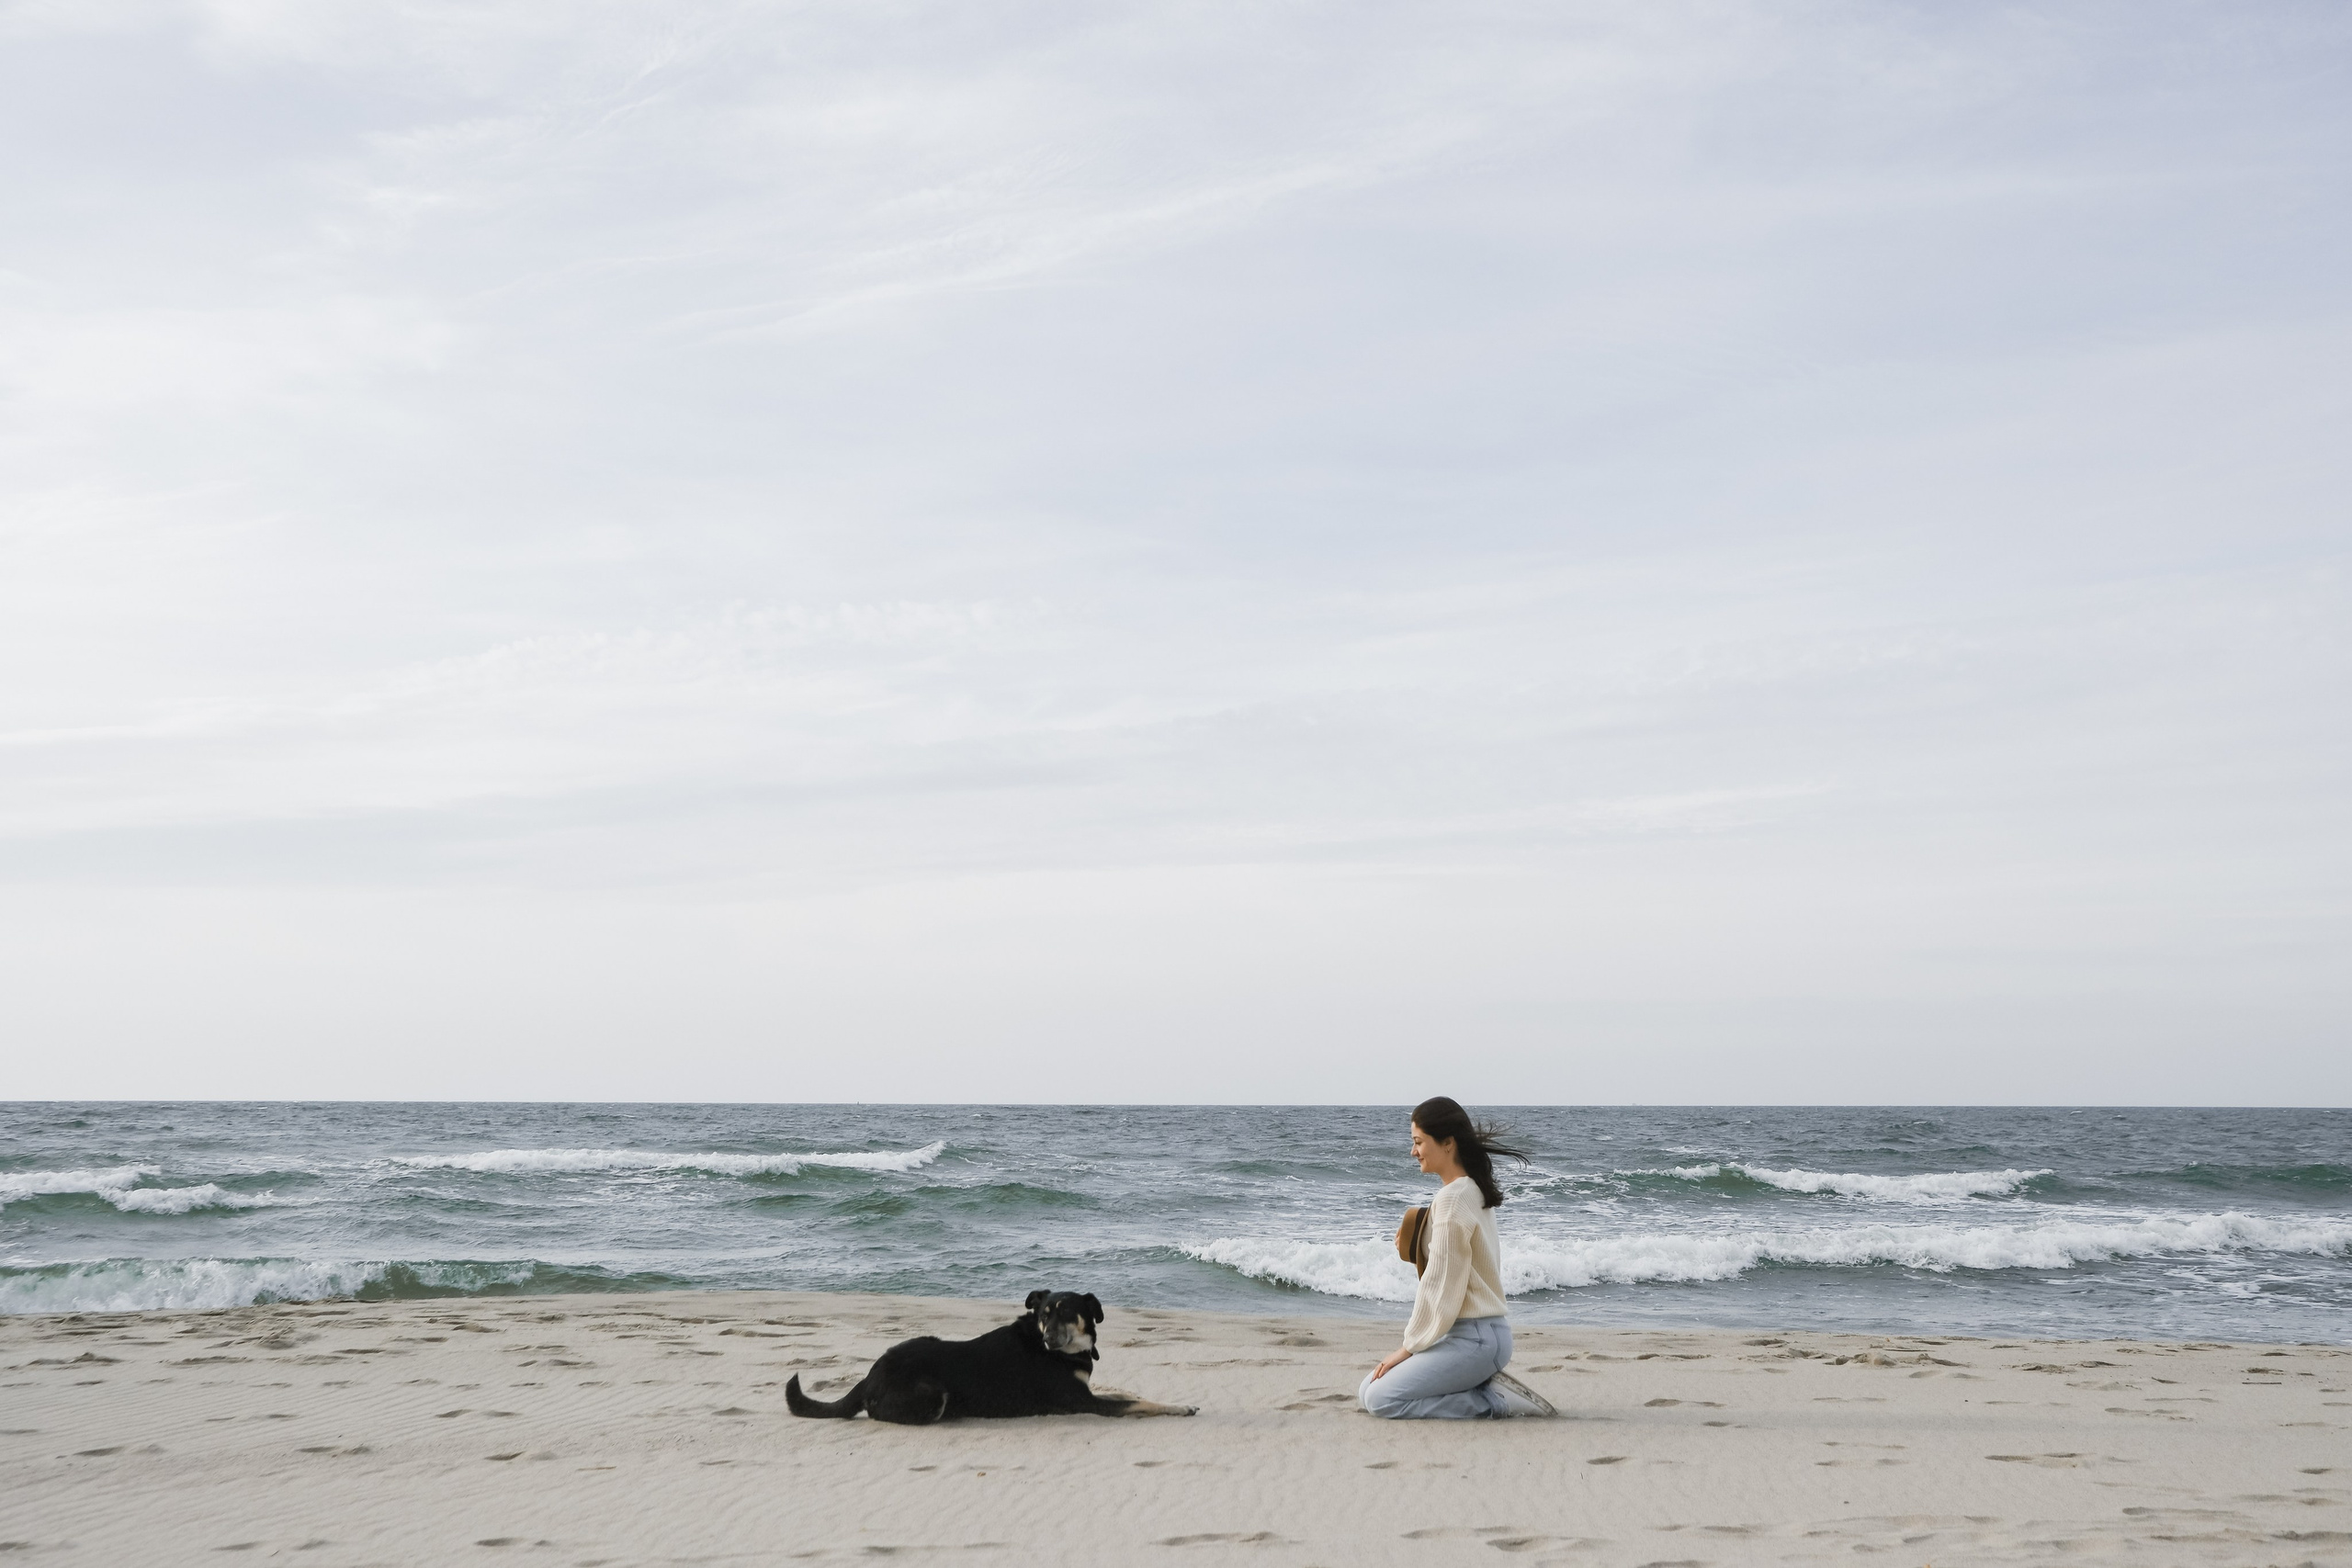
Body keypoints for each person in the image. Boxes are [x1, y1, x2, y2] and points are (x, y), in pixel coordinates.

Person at [1359, 1096, 1555, 1419]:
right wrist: (1419, 1243)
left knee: (1381, 1399)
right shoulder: (1470, 1189)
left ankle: (1495, 1402)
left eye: (1419, 1142)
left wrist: (1408, 1348)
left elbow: (1442, 1284)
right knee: (1367, 1390)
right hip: (1478, 1336)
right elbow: (1463, 1264)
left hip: (1476, 1340)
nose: (1413, 1151)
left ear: (1447, 1143)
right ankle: (1476, 1386)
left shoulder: (1453, 1198)